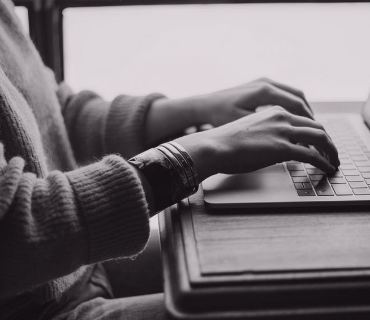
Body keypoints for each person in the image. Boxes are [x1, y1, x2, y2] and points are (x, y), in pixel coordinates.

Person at [0, 0, 339, 319]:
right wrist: (200, 151)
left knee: (291, 271)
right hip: (36, 307)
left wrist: (201, 108)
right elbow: (13, 230)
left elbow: (54, 118)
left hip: (73, 270)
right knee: (311, 304)